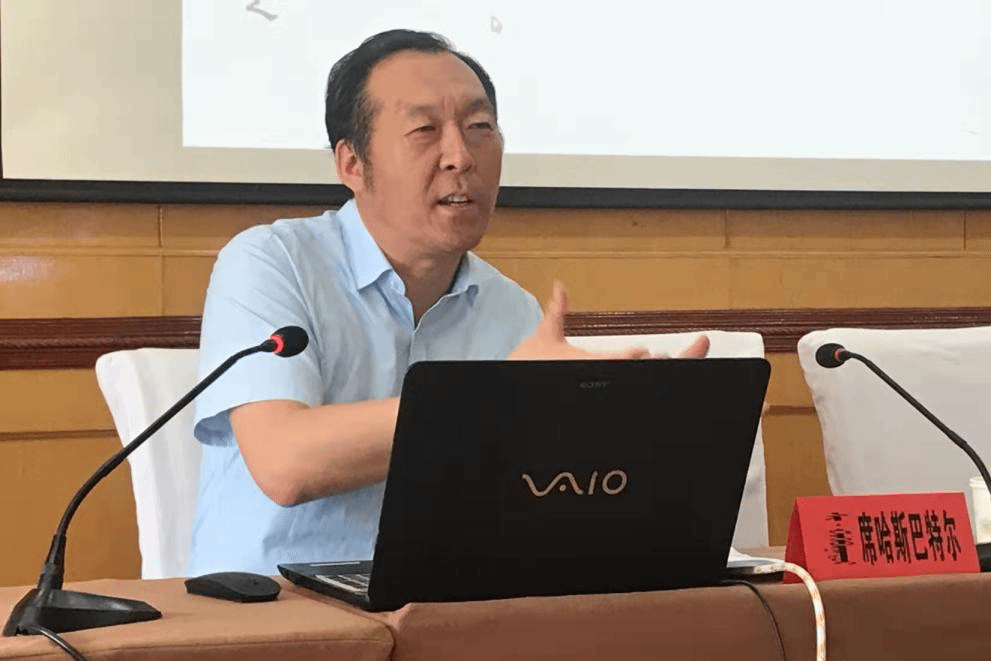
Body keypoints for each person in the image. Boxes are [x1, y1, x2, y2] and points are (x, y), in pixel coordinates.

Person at [187, 29, 708, 576]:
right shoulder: (271, 263)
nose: (461, 157)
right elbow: (286, 463)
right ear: (352, 164)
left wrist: (638, 429)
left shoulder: (511, 310)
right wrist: (504, 395)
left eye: (480, 128)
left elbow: (532, 499)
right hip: (274, 609)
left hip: (440, 606)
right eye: (424, 130)